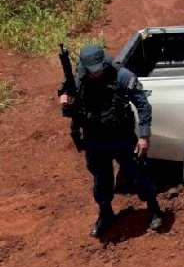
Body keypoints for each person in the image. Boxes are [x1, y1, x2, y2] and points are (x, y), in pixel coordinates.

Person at [59, 44, 163, 237]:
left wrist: (143, 135)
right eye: (92, 70)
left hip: (122, 137)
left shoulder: (121, 76)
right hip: (95, 140)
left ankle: (154, 208)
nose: (96, 73)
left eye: (99, 69)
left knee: (138, 174)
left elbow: (143, 105)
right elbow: (70, 110)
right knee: (101, 181)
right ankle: (105, 214)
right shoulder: (77, 81)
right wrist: (66, 103)